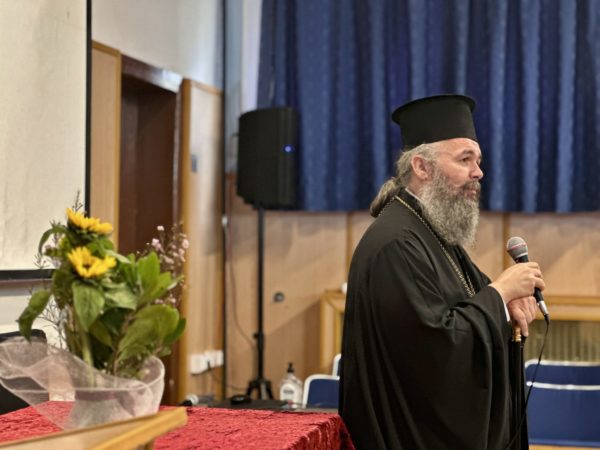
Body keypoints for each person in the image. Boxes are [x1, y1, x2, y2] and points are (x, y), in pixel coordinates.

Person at [339, 94, 544, 450]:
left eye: (478, 161)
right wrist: (500, 294)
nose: (478, 172)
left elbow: (468, 304)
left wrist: (505, 305)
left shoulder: (432, 232)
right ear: (422, 167)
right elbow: (433, 349)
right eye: (465, 159)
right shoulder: (397, 243)